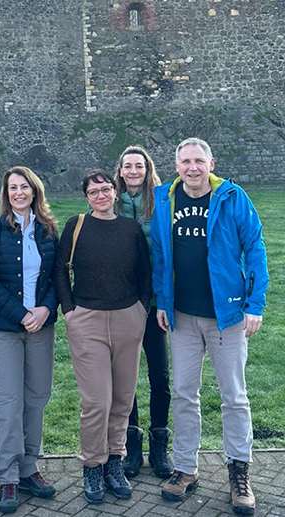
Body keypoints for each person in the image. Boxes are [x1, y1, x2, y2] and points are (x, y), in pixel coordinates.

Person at [152, 138, 269, 515]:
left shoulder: (232, 198)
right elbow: (159, 255)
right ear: (176, 166)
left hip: (227, 316)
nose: (192, 167)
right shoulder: (165, 200)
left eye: (198, 161)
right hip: (182, 316)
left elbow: (255, 249)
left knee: (234, 397)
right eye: (185, 161)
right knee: (184, 394)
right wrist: (162, 302)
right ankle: (185, 468)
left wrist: (255, 303)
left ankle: (239, 471)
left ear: (211, 163)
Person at [54, 169, 152, 505]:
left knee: (123, 400)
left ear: (115, 192)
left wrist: (141, 310)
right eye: (94, 191)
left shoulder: (130, 229)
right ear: (86, 197)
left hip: (128, 318)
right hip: (87, 320)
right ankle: (92, 466)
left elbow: (145, 274)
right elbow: (59, 269)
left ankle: (115, 462)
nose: (101, 195)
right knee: (97, 402)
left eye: (106, 189)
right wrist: (70, 312)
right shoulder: (76, 225)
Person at [0, 166, 59, 514]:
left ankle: (28, 469)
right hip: (5, 330)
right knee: (9, 405)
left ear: (35, 191)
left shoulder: (47, 231)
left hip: (41, 328)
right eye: (12, 188)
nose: (19, 193)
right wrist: (21, 314)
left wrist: (44, 309)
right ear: (5, 193)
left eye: (24, 187)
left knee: (36, 398)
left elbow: (59, 277)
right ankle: (7, 476)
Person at [112, 146, 173, 479]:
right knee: (126, 377)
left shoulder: (161, 201)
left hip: (153, 302)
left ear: (147, 169)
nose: (133, 171)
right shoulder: (110, 202)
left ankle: (160, 444)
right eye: (127, 166)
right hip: (123, 301)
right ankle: (131, 444)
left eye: (139, 165)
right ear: (120, 171)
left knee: (159, 374)